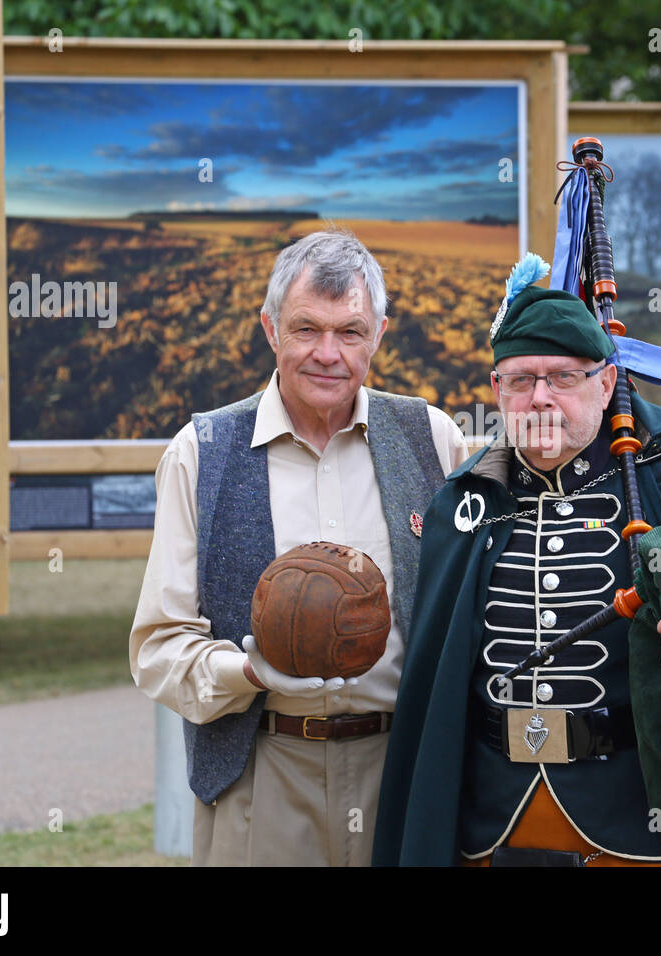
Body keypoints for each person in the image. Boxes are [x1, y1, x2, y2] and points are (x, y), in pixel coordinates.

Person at [373, 273, 661, 867]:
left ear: (605, 386)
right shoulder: (462, 503)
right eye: (522, 380)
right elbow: (433, 690)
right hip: (492, 831)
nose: (541, 398)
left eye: (564, 378)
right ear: (497, 390)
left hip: (638, 832)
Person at [130, 229, 468, 866]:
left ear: (380, 335)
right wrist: (250, 671)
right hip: (260, 770)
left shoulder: (432, 439)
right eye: (306, 329)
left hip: (402, 769)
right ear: (269, 329)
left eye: (351, 332)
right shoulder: (201, 454)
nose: (328, 354)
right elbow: (158, 647)